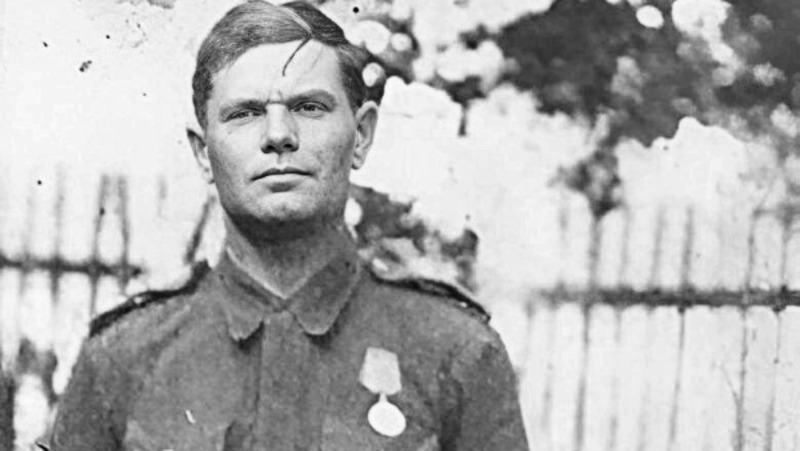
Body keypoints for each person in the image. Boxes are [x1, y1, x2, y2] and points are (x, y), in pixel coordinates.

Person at [47, 2, 529, 450]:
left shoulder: (456, 352)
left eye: (309, 107)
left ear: (362, 135)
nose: (278, 135)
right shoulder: (122, 358)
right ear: (203, 153)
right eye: (245, 113)